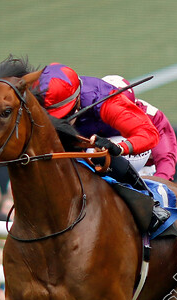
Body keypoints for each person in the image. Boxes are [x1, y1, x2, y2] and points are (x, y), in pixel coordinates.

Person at [34, 63, 169, 233]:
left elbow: (149, 135)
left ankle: (150, 205)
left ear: (76, 101)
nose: (61, 121)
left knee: (95, 154)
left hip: (125, 143)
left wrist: (119, 148)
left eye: (64, 115)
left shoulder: (107, 101)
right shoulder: (44, 93)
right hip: (87, 140)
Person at [101, 75, 177, 181]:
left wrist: (161, 181)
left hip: (144, 171)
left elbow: (165, 156)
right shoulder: (84, 113)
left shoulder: (152, 115)